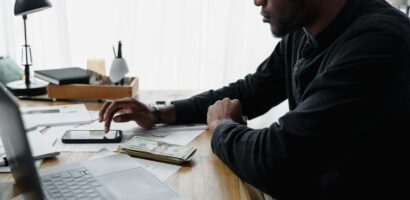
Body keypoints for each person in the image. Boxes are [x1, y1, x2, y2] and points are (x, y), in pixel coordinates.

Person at [100, 0, 410, 199]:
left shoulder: (378, 42)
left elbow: (278, 162)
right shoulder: (304, 29)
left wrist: (221, 126)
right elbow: (253, 89)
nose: (257, 1)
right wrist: (160, 113)